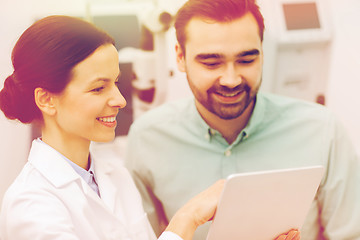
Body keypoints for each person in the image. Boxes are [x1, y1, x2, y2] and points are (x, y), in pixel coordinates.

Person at [125, 0, 360, 239]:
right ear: (180, 57)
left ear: (262, 53)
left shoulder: (322, 131)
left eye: (246, 60)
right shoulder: (147, 138)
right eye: (211, 62)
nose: (231, 79)